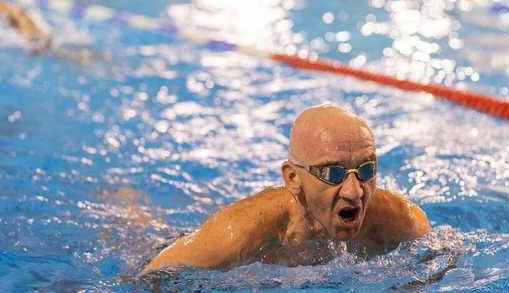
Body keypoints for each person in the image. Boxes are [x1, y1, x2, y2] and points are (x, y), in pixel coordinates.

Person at [141, 104, 430, 274]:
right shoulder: (238, 233)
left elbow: (440, 259)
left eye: (366, 170)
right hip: (167, 239)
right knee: (144, 226)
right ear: (293, 178)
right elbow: (149, 281)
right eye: (333, 173)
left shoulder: (400, 222)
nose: (355, 192)